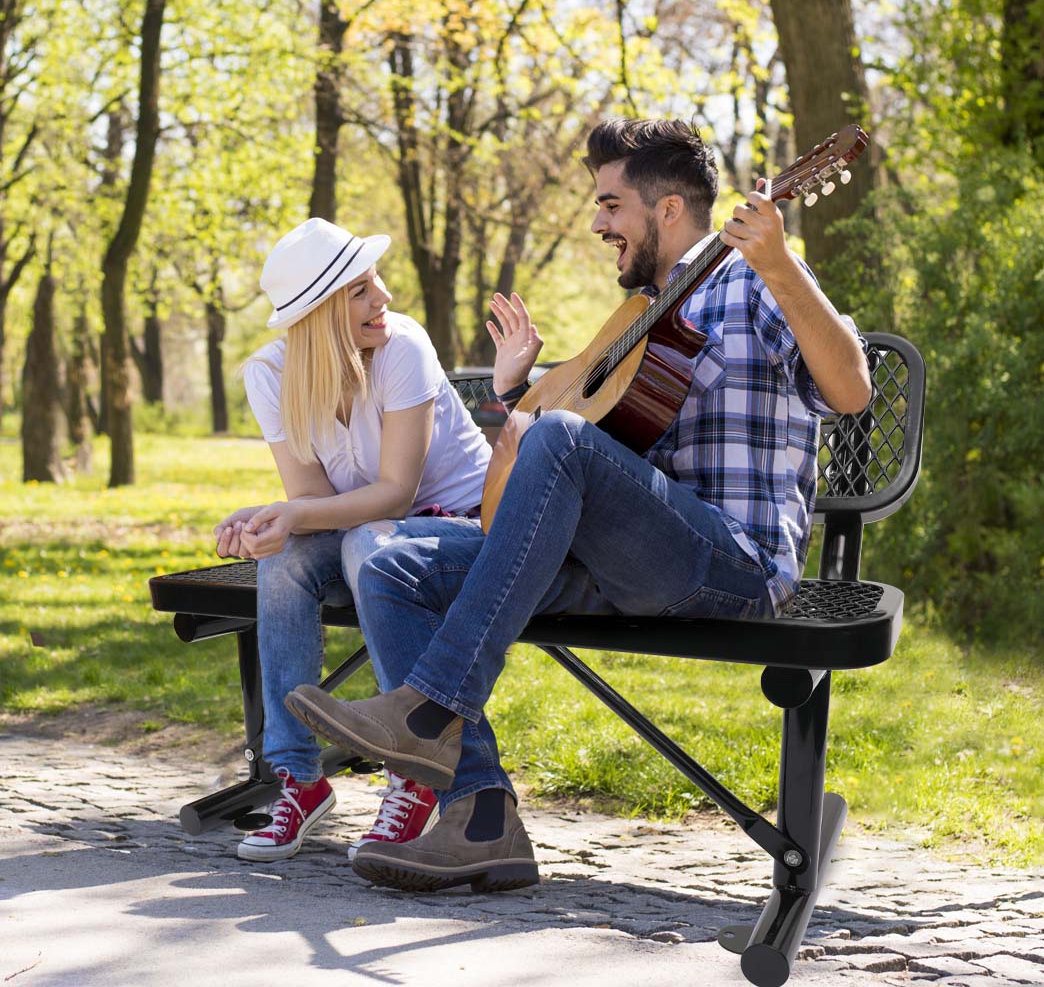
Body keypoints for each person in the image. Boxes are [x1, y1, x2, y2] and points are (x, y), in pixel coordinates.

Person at [283, 119, 874, 892]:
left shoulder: (751, 278)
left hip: (734, 562)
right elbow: (581, 432)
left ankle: (427, 714)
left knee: (558, 441)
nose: (597, 225)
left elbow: (853, 390)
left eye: (610, 205)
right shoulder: (642, 313)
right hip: (624, 560)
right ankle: (481, 815)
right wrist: (513, 396)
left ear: (667, 210)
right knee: (395, 565)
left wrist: (783, 264)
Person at [214, 216, 492, 863]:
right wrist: (272, 518)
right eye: (362, 290)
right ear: (318, 312)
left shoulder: (402, 347)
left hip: (459, 529)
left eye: (377, 282)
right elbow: (311, 501)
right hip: (367, 533)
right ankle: (299, 780)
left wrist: (292, 511)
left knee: (369, 544)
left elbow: (396, 491)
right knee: (284, 554)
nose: (385, 298)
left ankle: (413, 768)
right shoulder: (270, 374)